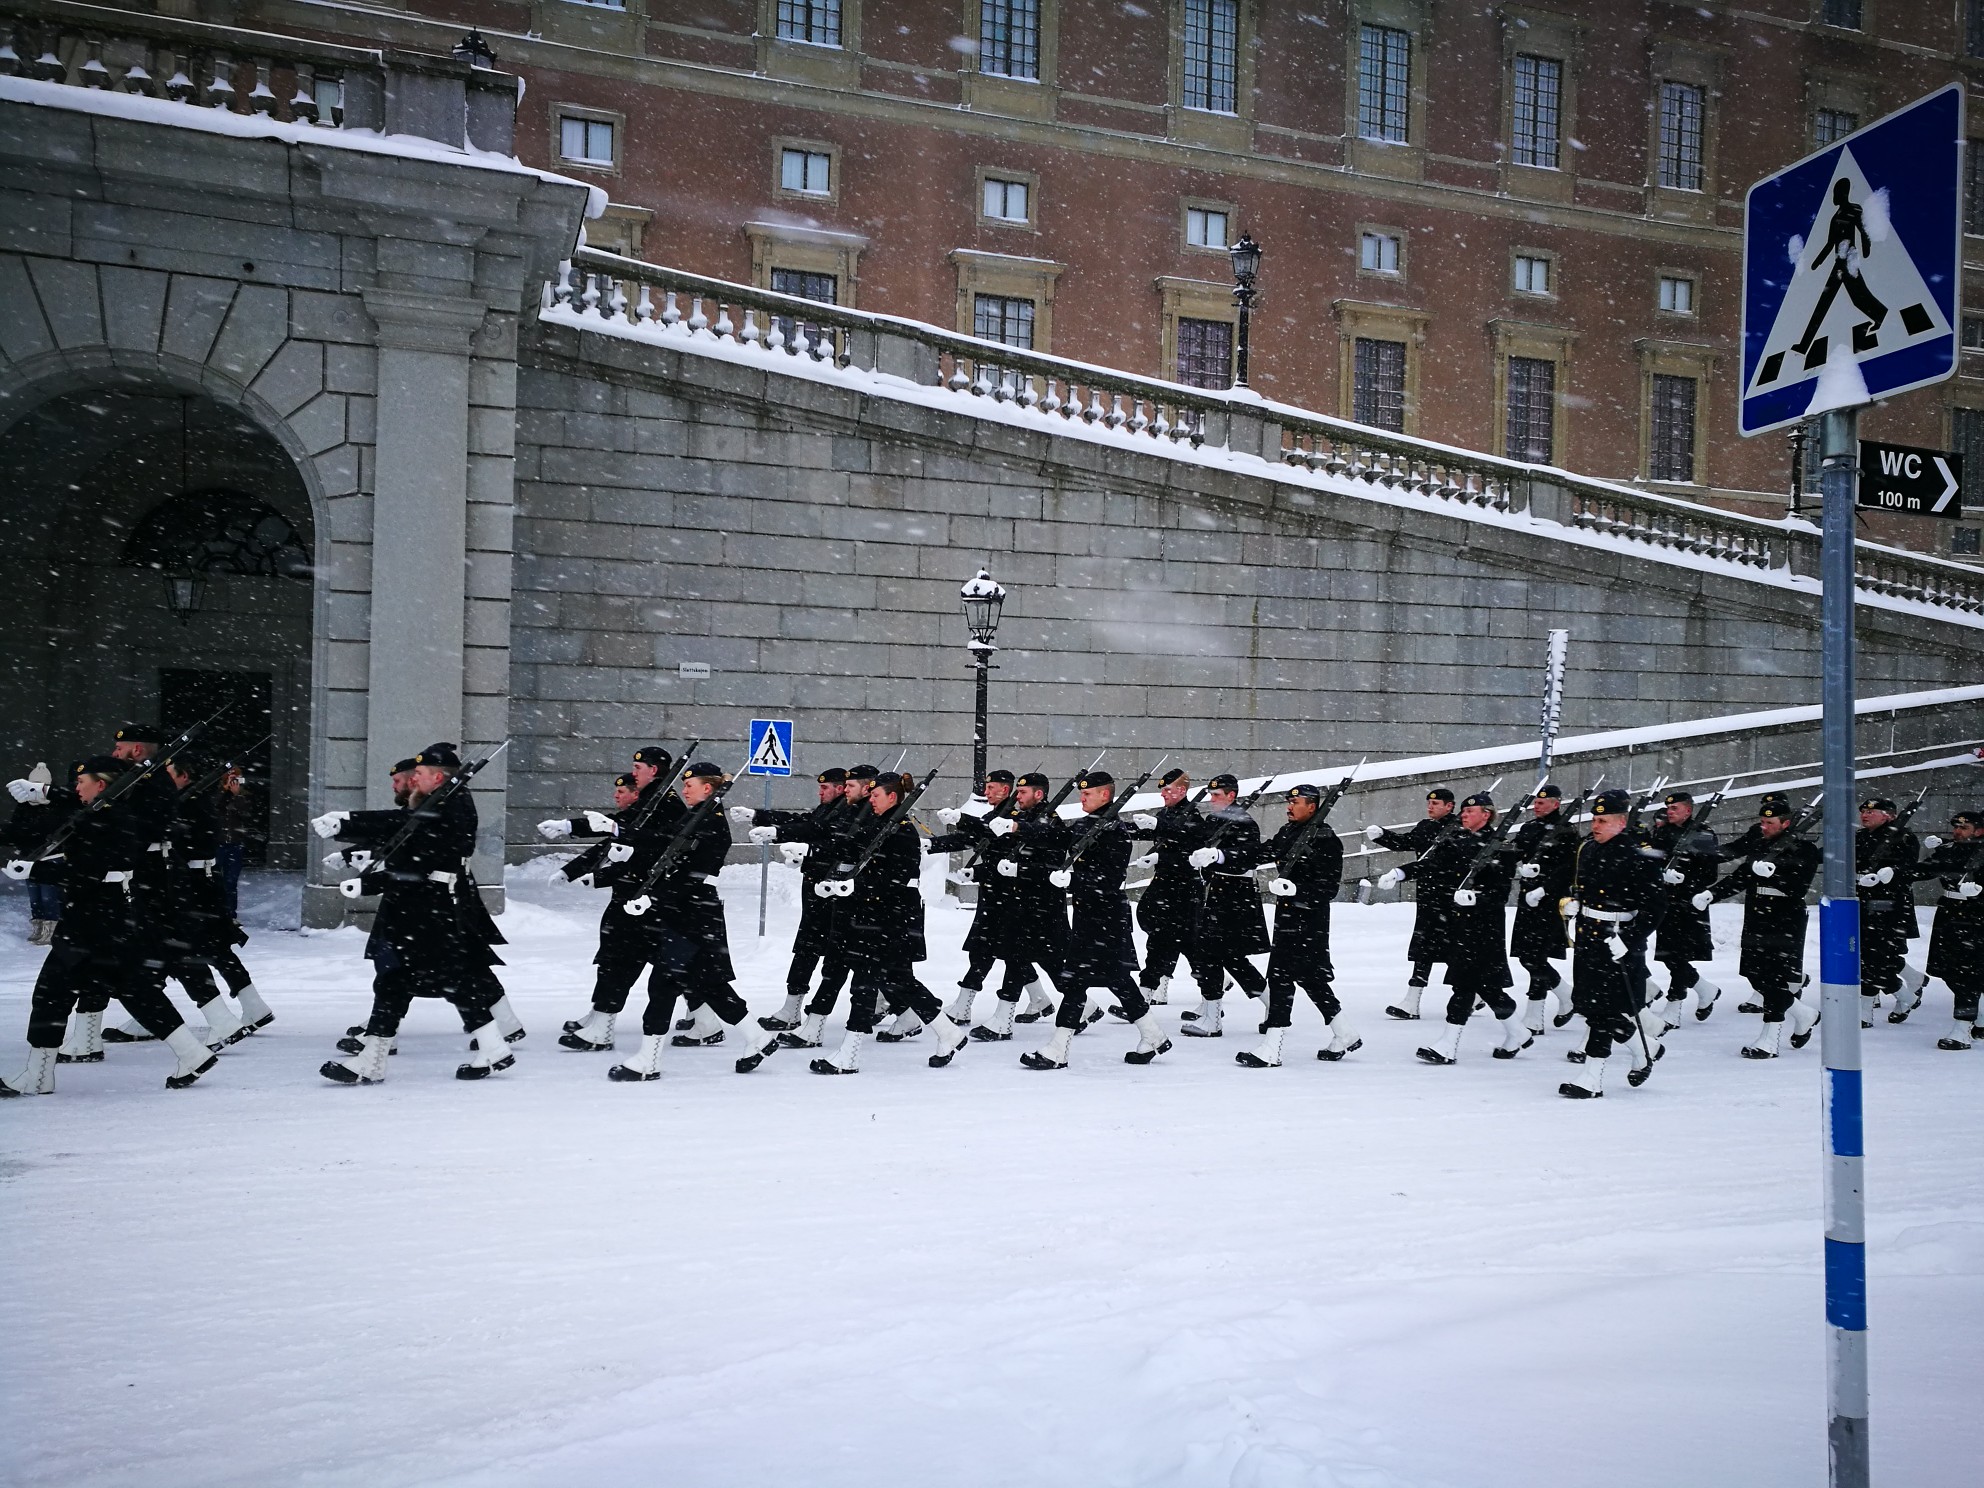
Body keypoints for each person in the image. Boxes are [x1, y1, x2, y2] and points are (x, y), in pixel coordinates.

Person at [1, 757, 220, 1095]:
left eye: (81, 782)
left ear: (100, 785)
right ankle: (192, 1053)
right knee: (134, 989)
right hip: (111, 917)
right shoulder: (110, 813)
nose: (76, 789)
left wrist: (35, 872)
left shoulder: (108, 818)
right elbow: (64, 825)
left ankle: (37, 1075)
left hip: (93, 920)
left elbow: (87, 871)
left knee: (51, 993)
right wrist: (42, 795)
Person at [568, 761, 783, 1082]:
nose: (684, 790)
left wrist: (652, 896)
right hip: (686, 911)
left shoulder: (711, 822)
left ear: (708, 789)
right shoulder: (695, 816)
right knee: (706, 983)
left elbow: (685, 868)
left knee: (665, 984)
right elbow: (659, 839)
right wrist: (615, 833)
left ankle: (649, 1059)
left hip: (693, 912)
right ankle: (758, 1037)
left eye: (690, 785)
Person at [315, 744, 517, 1084]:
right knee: (409, 981)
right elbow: (405, 833)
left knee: (423, 979)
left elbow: (417, 854)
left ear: (437, 777)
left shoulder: (451, 806)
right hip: (423, 904)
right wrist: (354, 842)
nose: (414, 779)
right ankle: (490, 1046)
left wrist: (352, 832)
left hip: (431, 905)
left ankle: (376, 1060)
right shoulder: (441, 802)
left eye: (420, 774)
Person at [810, 772, 970, 1074]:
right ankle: (949, 1033)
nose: (871, 800)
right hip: (875, 917)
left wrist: (856, 887)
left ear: (893, 797)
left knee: (864, 983)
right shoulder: (879, 825)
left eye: (876, 796)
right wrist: (834, 880)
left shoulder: (902, 832)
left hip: (889, 919)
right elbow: (852, 852)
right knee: (899, 980)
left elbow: (895, 880)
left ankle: (850, 1055)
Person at [1018, 771, 1171, 1069]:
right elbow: (1058, 835)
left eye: (1088, 794)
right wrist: (1019, 828)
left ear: (1106, 795)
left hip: (1107, 918)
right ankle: (1153, 1035)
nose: (1082, 798)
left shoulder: (1114, 831)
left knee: (1080, 983)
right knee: (1115, 982)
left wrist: (1073, 880)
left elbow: (1109, 879)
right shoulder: (1089, 824)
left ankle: (1057, 1050)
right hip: (1090, 918)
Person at [1392, 793, 1530, 1065]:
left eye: (1470, 811)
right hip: (1459, 926)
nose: (1464, 815)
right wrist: (1402, 873)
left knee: (1463, 986)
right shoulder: (1458, 839)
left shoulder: (1500, 847)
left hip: (1484, 929)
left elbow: (1501, 893)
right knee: (1488, 988)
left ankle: (1447, 1045)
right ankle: (1518, 1031)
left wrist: (1477, 898)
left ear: (1486, 815)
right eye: (1463, 811)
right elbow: (1432, 864)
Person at [1238, 782, 1358, 1067]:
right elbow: (1263, 853)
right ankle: (1345, 1033)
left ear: (1312, 807)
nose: (1289, 807)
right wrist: (1225, 853)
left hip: (1309, 922)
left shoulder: (1326, 839)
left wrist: (1296, 890)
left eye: (1296, 803)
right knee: (1310, 979)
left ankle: (1272, 1047)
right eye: (1288, 802)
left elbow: (1328, 888)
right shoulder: (1288, 832)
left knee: (1280, 980)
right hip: (1288, 919)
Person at [1558, 790, 1668, 1099]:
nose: (1596, 825)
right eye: (1594, 819)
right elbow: (1582, 886)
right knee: (1589, 1005)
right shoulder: (1589, 849)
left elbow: (1656, 907)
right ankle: (1647, 1049)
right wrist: (1575, 904)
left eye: (1603, 820)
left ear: (1621, 822)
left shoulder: (1638, 855)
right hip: (1589, 936)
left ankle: (1591, 1077)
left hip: (1618, 939)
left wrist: (1629, 939)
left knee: (1604, 1011)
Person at [1699, 797, 1822, 1060]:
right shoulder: (1761, 844)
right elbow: (1741, 877)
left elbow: (1799, 889)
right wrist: (1712, 894)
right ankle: (1803, 1014)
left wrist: (1774, 874)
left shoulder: (1805, 849)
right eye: (1762, 822)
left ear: (1786, 823)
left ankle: (1770, 1040)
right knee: (1754, 974)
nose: (1764, 827)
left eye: (1770, 822)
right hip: (1757, 915)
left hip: (1785, 918)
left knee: (1774, 977)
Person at [731, 766, 851, 1031]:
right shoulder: (829, 808)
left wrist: (780, 834)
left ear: (841, 788)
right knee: (808, 947)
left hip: (833, 891)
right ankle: (791, 1009)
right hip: (816, 887)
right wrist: (760, 817)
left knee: (844, 956)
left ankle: (894, 1005)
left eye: (825, 787)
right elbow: (805, 821)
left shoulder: (849, 812)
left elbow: (815, 831)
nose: (820, 792)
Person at [969, 772, 1075, 1042]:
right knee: (1023, 959)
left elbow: (1053, 855)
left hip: (1043, 905)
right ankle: (1081, 1007)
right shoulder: (1024, 819)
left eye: (1023, 793)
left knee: (1033, 960)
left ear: (1039, 794)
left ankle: (1005, 1020)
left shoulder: (1051, 822)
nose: (1017, 797)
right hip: (1023, 903)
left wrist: (1020, 868)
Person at [927, 767, 1020, 1028]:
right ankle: (1042, 1001)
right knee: (991, 950)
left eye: (991, 787)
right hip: (993, 894)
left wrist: (962, 817)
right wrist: (933, 845)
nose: (986, 791)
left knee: (1007, 954)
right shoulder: (995, 815)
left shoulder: (1015, 816)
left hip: (1011, 897)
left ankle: (964, 1006)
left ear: (1005, 788)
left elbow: (992, 837)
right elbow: (971, 838)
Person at [1178, 773, 1269, 1038]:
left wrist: (1220, 855)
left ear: (1231, 796)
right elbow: (1197, 839)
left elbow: (1247, 857)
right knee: (1227, 957)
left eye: (1217, 795)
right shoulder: (1216, 820)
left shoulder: (1245, 823)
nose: (1212, 799)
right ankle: (1271, 1004)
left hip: (1236, 895)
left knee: (1213, 955)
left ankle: (1212, 1018)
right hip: (1217, 892)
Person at [1366, 787, 1459, 1019]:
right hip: (1428, 897)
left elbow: (1438, 864)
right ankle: (1411, 1001)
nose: (1430, 807)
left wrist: (1402, 873)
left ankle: (1477, 992)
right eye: (1429, 803)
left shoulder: (1459, 829)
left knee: (1456, 951)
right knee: (1424, 949)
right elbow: (1405, 842)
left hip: (1451, 898)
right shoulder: (1426, 826)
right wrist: (1382, 835)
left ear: (1450, 806)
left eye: (1436, 804)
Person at [1898, 810, 1983, 1050]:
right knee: (1950, 970)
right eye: (1955, 826)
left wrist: (1980, 893)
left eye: (1964, 828)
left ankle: (1962, 1027)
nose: (1957, 831)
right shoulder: (1950, 850)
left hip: (1977, 916)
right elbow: (1925, 869)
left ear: (1979, 830)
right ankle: (1980, 1016)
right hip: (1950, 912)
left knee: (1969, 973)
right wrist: (1895, 873)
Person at [1641, 790, 1722, 1026]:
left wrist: (1684, 878)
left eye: (1675, 808)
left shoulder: (1703, 834)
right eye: (1668, 808)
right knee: (1668, 955)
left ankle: (1674, 1006)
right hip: (1666, 901)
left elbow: (1710, 873)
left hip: (1689, 903)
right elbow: (1654, 860)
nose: (1669, 812)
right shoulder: (1664, 832)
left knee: (1678, 955)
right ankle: (1704, 989)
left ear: (1688, 810)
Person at [1127, 769, 1206, 1007]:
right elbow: (1152, 831)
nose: (1163, 794)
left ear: (1182, 791)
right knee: (1170, 939)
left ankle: (1209, 995)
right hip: (1165, 885)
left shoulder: (1193, 817)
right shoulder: (1167, 814)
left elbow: (1189, 851)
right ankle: (1207, 983)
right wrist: (1118, 828)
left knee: (1174, 941)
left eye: (1168, 789)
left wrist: (1161, 857)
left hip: (1183, 888)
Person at [1509, 785, 1580, 1035]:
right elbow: (1514, 852)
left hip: (1550, 903)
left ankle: (1534, 1017)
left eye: (1541, 803)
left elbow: (1569, 868)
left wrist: (1545, 888)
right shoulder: (1529, 828)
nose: (1535, 807)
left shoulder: (1567, 831)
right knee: (1526, 955)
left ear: (1556, 804)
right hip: (1527, 899)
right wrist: (1520, 869)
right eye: (1535, 803)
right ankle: (1567, 996)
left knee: (1536, 956)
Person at [1853, 797, 1919, 1025]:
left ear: (1889, 816)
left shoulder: (1904, 837)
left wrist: (1888, 875)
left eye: (1872, 812)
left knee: (1876, 959)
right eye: (1863, 811)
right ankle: (1905, 995)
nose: (1865, 815)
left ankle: (1865, 1011)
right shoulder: (1859, 837)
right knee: (1867, 959)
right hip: (1861, 904)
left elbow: (1911, 869)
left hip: (1889, 907)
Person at [4, 762, 65, 944]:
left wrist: (29, 832)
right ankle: (38, 925)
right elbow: (16, 829)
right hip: (29, 857)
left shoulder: (56, 804)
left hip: (51, 856)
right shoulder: (24, 806)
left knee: (49, 895)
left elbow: (50, 829)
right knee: (35, 896)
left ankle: (51, 928)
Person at [216, 765, 253, 919]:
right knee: (216, 879)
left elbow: (246, 814)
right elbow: (216, 808)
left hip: (235, 843)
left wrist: (236, 796)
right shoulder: (216, 795)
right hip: (218, 842)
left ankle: (231, 914)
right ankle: (217, 911)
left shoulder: (244, 796)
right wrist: (226, 793)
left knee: (231, 881)